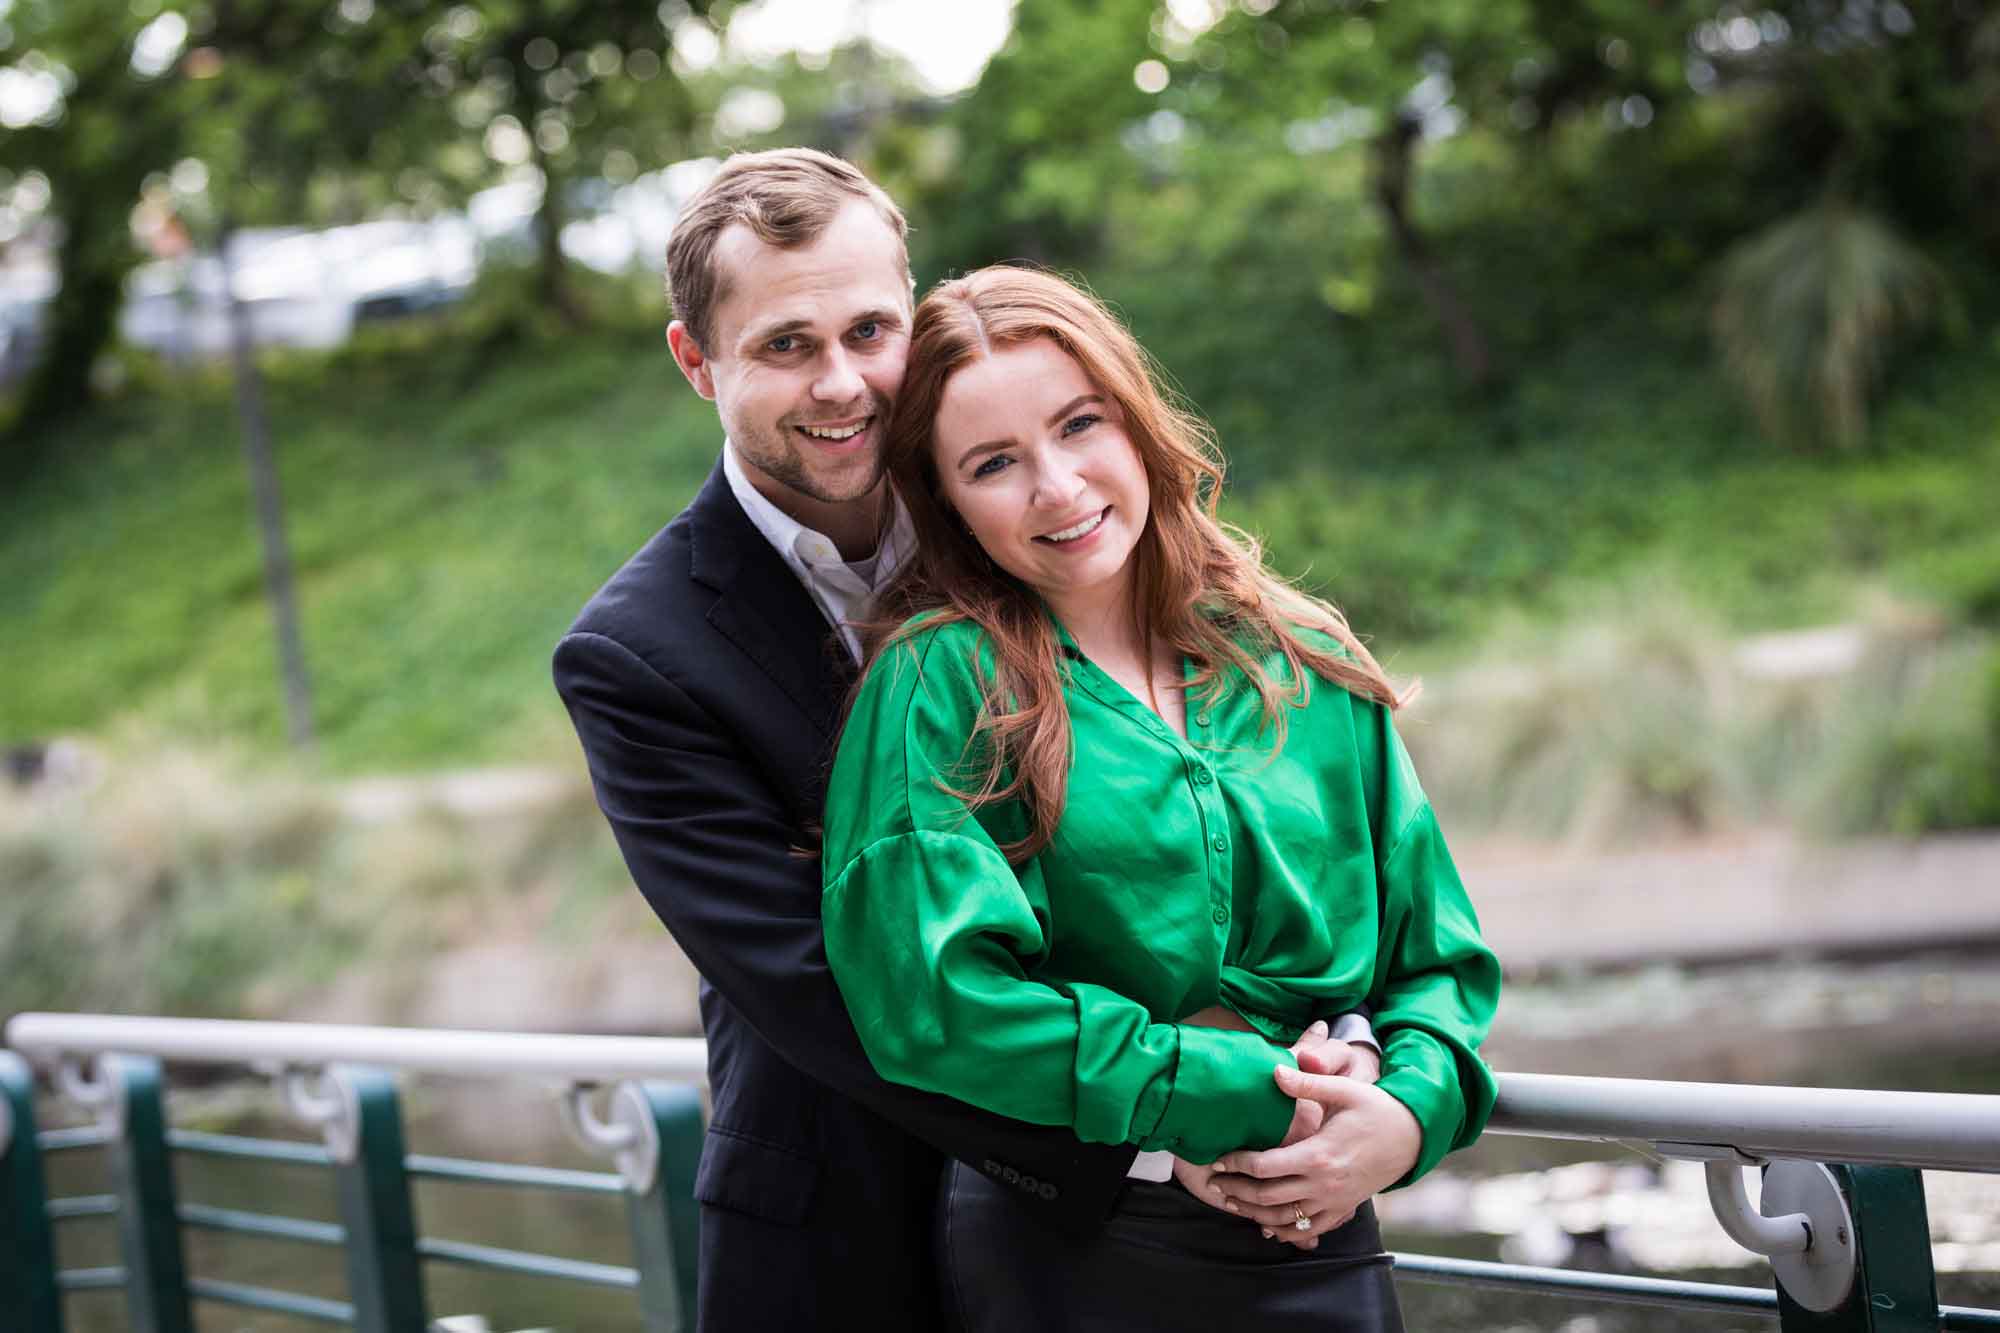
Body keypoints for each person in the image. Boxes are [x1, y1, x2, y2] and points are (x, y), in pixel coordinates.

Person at [555, 149, 1380, 1333]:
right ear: (697, 361)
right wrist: (1165, 1113)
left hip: (1132, 1242)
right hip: (846, 1234)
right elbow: (817, 980)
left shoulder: (1039, 524)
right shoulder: (636, 656)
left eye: (869, 330)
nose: (842, 382)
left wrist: (1360, 1069)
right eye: (786, 345)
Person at [820, 265, 1502, 1332]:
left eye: (1077, 424)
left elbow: (1440, 962)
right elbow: (933, 1001)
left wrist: (1405, 1117)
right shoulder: (934, 684)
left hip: (1322, 1236)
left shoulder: (1300, 660)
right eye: (993, 462)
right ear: (944, 498)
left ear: (1135, 422)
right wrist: (1220, 1087)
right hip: (1078, 1253)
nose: (1055, 485)